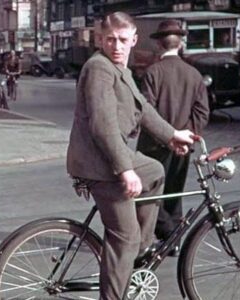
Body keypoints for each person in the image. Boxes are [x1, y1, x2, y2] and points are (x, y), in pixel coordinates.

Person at [66, 12, 195, 299]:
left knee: (155, 172)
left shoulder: (119, 69)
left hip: (107, 156)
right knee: (124, 238)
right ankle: (121, 274)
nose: (116, 45)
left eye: (123, 40)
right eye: (110, 39)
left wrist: (173, 134)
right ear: (100, 39)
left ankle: (139, 251)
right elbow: (103, 125)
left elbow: (143, 108)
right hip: (100, 163)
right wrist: (125, 170)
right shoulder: (99, 68)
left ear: (134, 40)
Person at [137, 19, 210, 255]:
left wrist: (167, 136)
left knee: (148, 195)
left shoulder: (152, 73)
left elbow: (146, 111)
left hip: (154, 146)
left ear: (159, 44)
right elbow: (202, 112)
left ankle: (169, 235)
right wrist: (186, 136)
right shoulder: (194, 74)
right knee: (174, 193)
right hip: (183, 146)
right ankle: (174, 240)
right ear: (180, 44)